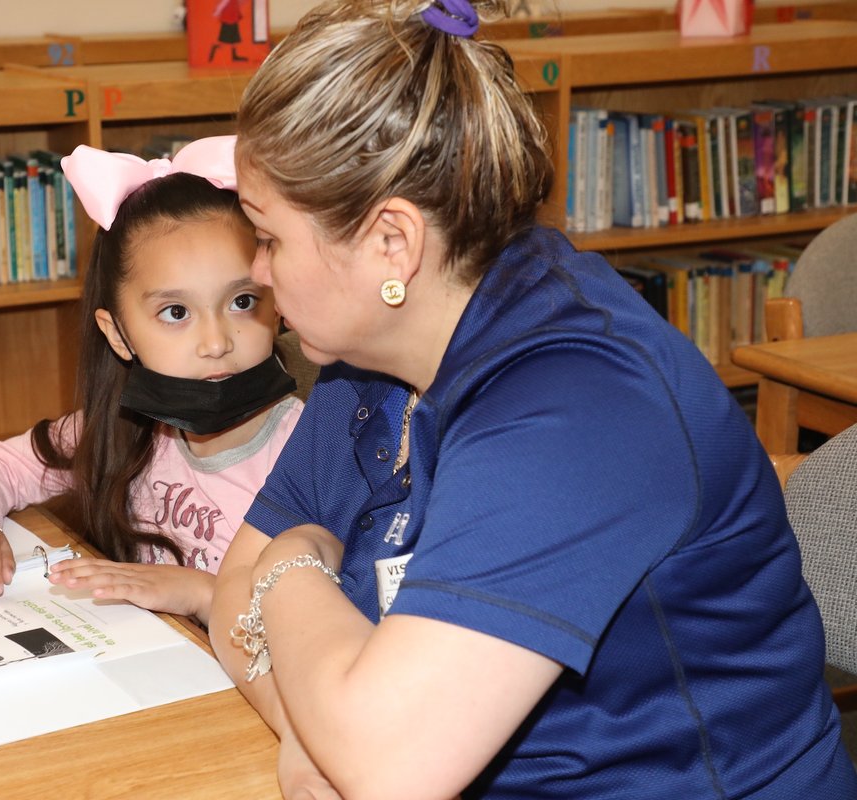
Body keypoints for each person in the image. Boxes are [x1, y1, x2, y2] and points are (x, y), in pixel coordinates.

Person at [207, 2, 857, 798]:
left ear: (392, 243)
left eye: (268, 238)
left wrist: (288, 563)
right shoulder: (370, 354)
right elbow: (224, 603)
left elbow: (388, 766)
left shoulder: (581, 410)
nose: (258, 273)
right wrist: (310, 730)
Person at [0, 135, 301, 625]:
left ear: (280, 304)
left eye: (242, 302)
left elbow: (329, 625)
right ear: (118, 334)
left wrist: (202, 593)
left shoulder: (313, 452)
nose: (215, 342)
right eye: (176, 312)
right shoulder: (123, 430)